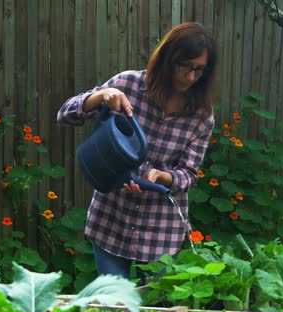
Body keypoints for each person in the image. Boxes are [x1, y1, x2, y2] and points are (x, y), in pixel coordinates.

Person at [57, 22, 217, 284]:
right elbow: (64, 114)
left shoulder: (201, 116)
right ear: (168, 59)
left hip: (160, 232)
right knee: (114, 310)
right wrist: (100, 96)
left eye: (199, 70)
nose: (190, 77)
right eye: (185, 66)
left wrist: (163, 178)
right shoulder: (127, 85)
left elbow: (189, 174)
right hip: (111, 220)